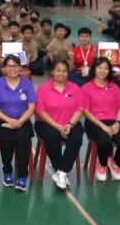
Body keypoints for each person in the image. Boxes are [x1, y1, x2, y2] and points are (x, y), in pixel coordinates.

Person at [0, 55, 37, 192]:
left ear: (20, 68)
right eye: (9, 66)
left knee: (23, 138)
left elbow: (31, 107)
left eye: (15, 66)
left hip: (22, 120)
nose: (12, 69)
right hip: (0, 120)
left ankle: (22, 174)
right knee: (6, 135)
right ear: (3, 68)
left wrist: (19, 122)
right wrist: (9, 121)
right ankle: (7, 170)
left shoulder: (27, 83)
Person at [35, 60, 85, 191]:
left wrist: (70, 124)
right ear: (52, 72)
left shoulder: (75, 88)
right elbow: (41, 111)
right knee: (52, 137)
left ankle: (62, 172)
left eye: (64, 71)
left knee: (76, 137)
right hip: (47, 123)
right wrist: (58, 127)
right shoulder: (43, 89)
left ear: (68, 73)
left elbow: (79, 109)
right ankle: (59, 169)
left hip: (70, 123)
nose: (61, 73)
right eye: (58, 70)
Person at [82, 57, 120, 182]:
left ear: (109, 71)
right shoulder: (86, 88)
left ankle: (115, 163)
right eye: (99, 68)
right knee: (104, 141)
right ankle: (103, 164)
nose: (102, 71)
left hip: (114, 121)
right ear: (94, 69)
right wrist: (102, 126)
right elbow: (86, 111)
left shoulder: (114, 87)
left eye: (106, 68)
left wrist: (118, 123)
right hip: (94, 122)